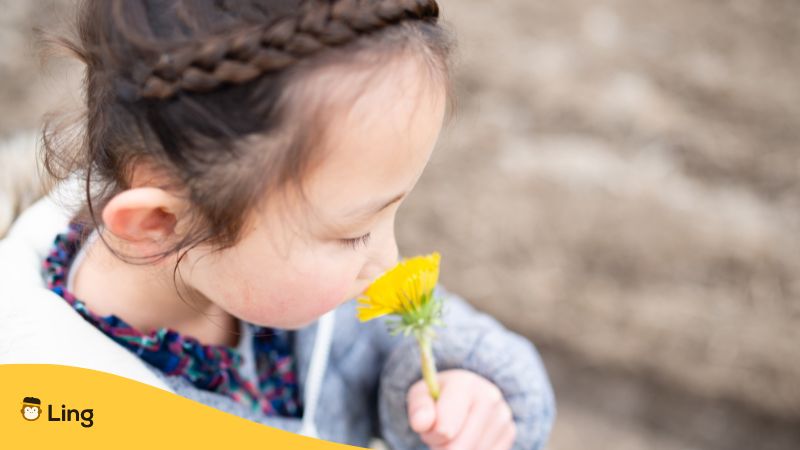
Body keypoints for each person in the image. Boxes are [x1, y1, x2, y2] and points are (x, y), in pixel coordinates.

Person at [0, 1, 554, 448]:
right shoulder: (66, 416)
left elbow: (402, 351)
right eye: (353, 232)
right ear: (157, 224)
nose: (389, 263)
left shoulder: (289, 292)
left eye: (391, 212)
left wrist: (464, 391)